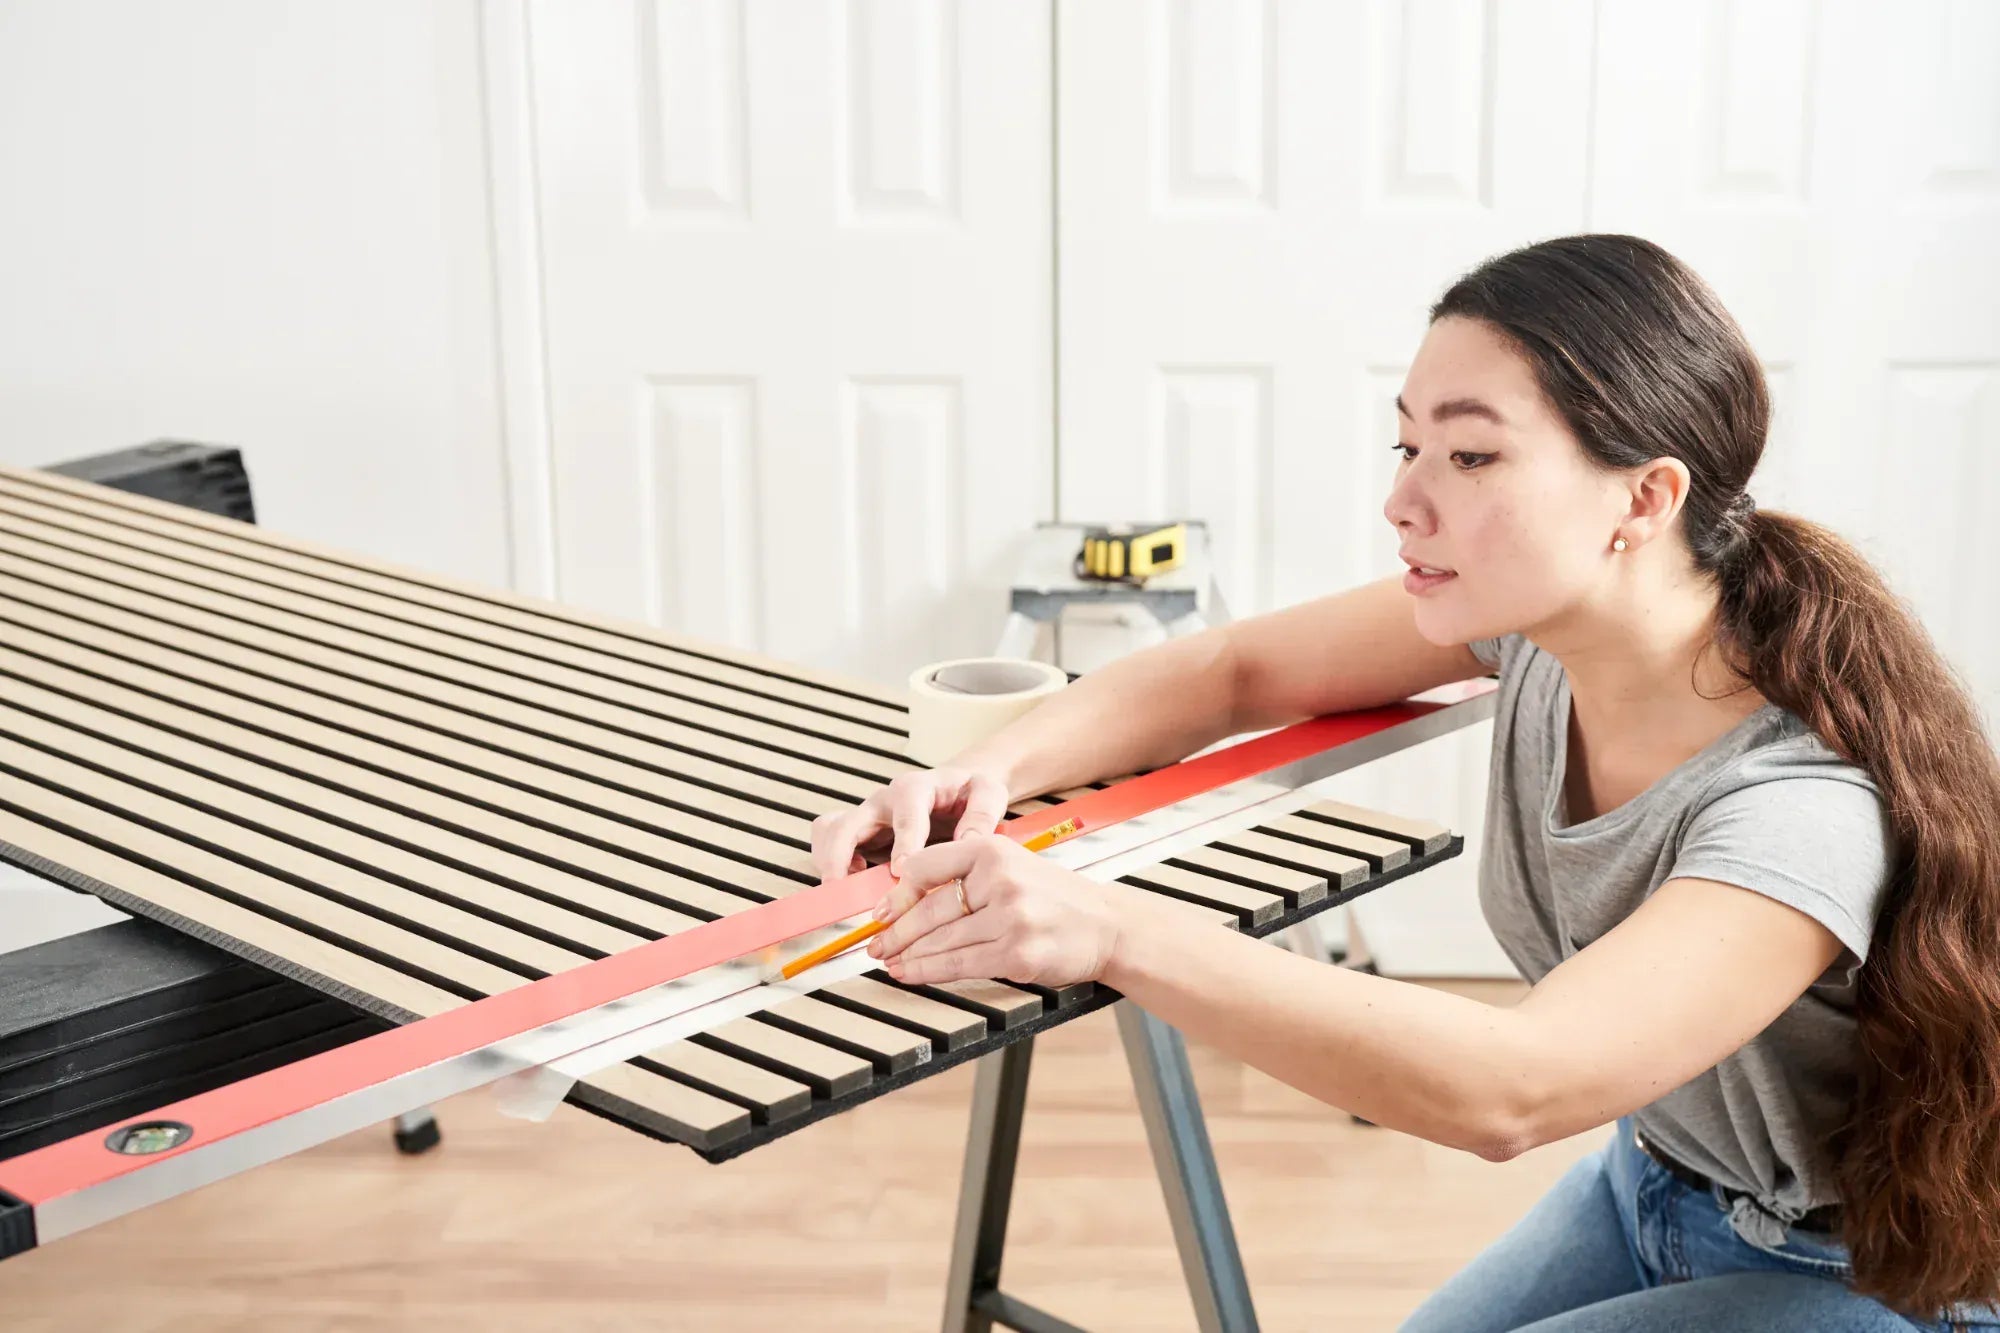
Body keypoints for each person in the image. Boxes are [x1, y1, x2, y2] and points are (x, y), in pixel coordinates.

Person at [808, 235, 2000, 1331]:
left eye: (1471, 454)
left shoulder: (1795, 810)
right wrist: (984, 769)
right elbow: (1236, 666)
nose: (1401, 499)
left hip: (1871, 1276)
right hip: (1655, 1187)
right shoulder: (1540, 628)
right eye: (1407, 443)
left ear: (1644, 497)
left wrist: (1104, 929)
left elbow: (1509, 1090)